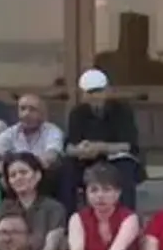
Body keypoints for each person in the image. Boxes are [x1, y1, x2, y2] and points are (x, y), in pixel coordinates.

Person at [59, 68, 143, 212]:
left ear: (107, 90)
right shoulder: (77, 112)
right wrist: (80, 149)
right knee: (66, 170)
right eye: (89, 92)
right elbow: (69, 146)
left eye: (98, 91)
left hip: (114, 158)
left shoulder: (122, 110)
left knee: (126, 168)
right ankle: (69, 220)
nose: (94, 96)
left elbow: (128, 145)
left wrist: (100, 147)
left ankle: (127, 217)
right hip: (87, 159)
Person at [0, 152, 67, 250]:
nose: (18, 177)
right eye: (13, 175)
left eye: (23, 172)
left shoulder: (54, 208)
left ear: (37, 175)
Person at [0, 93, 65, 182]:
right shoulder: (11, 132)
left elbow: (51, 156)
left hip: (42, 177)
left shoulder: (52, 131)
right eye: (22, 109)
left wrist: (25, 170)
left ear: (42, 114)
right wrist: (2, 168)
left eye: (32, 109)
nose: (26, 114)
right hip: (15, 177)